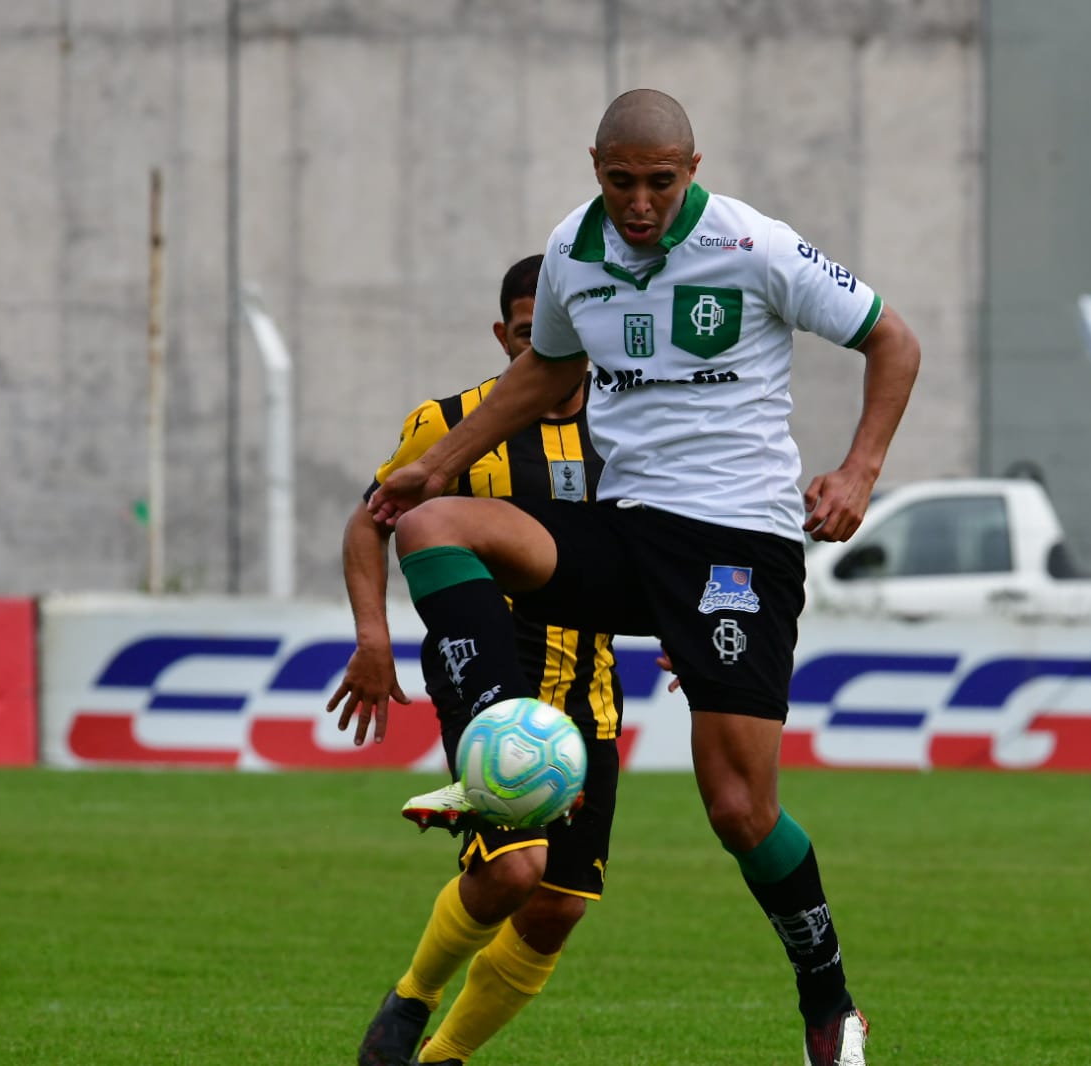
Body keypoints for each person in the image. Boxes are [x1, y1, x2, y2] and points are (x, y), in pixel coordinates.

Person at [344, 88, 921, 1065]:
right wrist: (438, 465)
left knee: (740, 810)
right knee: (437, 528)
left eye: (661, 182)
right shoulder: (576, 247)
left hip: (739, 541)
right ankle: (495, 767)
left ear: (692, 170)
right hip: (625, 529)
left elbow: (892, 342)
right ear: (596, 168)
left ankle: (828, 998)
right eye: (622, 182)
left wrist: (860, 469)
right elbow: (546, 377)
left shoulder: (755, 247)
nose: (641, 201)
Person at [329, 254, 625, 1066]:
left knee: (557, 907)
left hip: (589, 692)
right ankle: (411, 1001)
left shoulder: (632, 428)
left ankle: (442, 1057)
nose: (549, 349)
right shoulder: (451, 422)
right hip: (483, 676)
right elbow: (371, 522)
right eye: (531, 336)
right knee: (513, 869)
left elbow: (657, 550)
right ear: (505, 336)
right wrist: (372, 636)